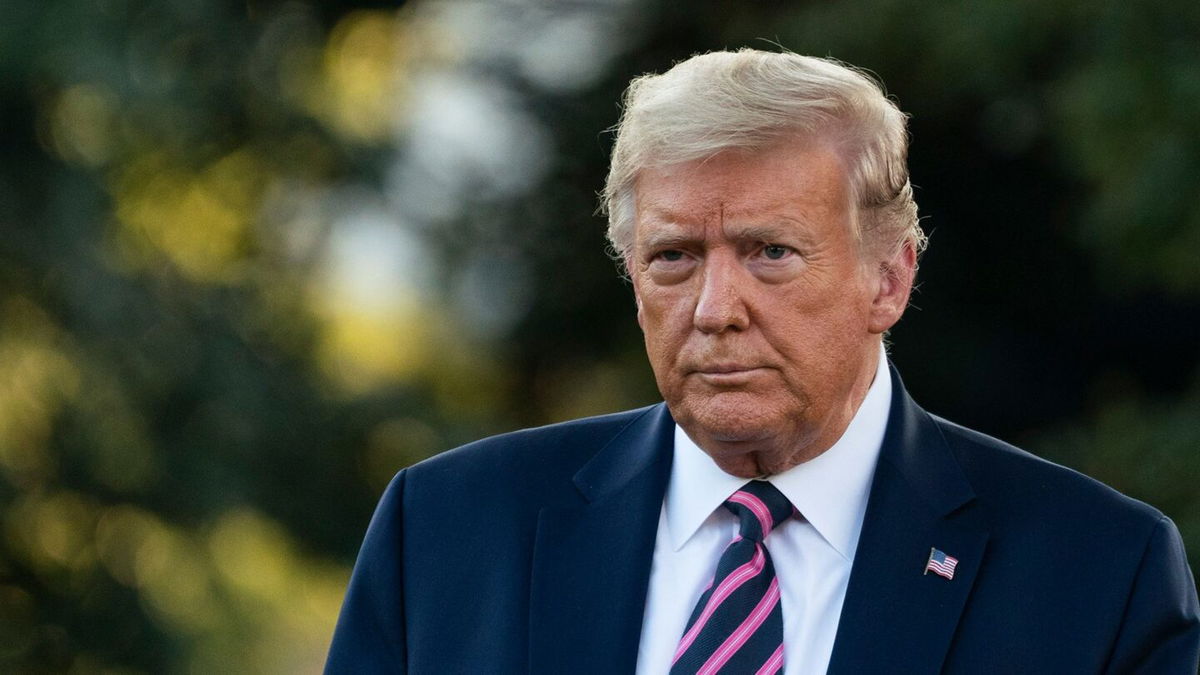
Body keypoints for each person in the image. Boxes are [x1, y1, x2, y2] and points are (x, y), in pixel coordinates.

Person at [324, 49, 1200, 674]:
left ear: (889, 280)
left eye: (770, 252)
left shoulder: (1097, 575)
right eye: (673, 257)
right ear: (633, 279)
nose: (715, 310)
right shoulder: (446, 531)